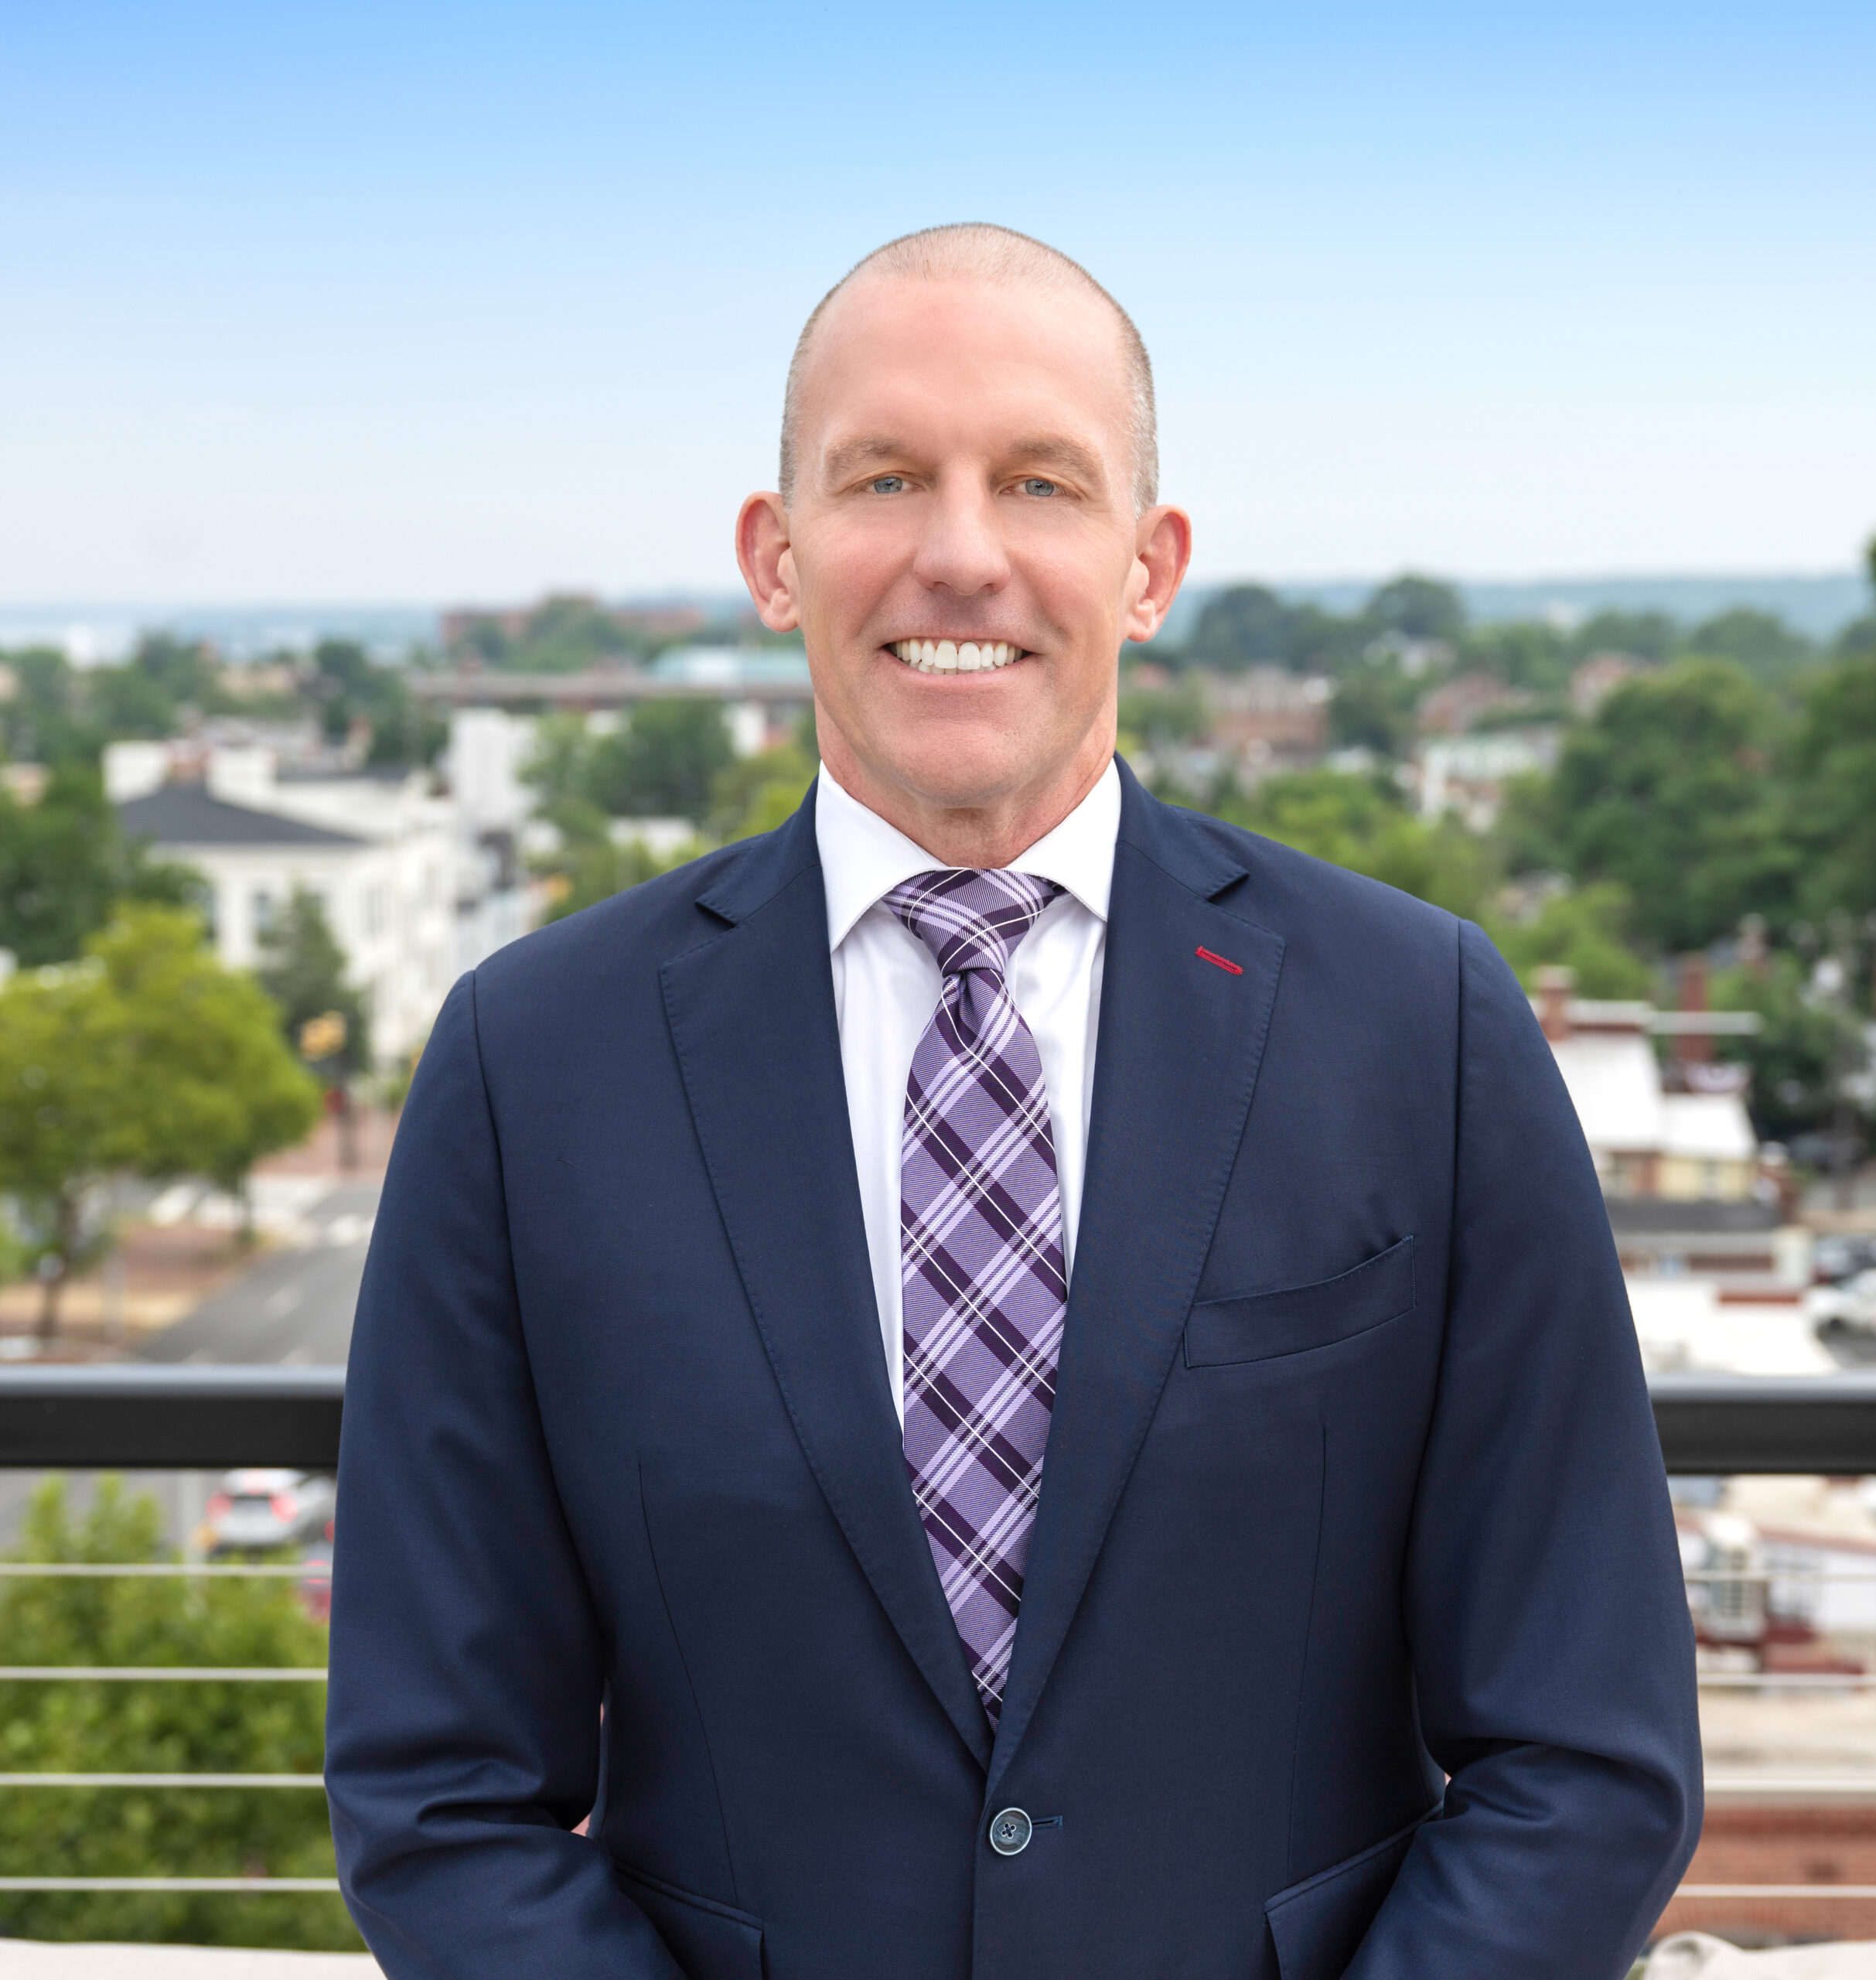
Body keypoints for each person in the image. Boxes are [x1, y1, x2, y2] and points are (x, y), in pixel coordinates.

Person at [326, 224, 1701, 1980]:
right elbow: (436, 1784)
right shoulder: (531, 1064)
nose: (958, 555)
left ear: (1147, 563)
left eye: (1039, 482)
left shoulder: (1415, 1022)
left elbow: (1586, 1751)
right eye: (885, 475)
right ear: (776, 553)